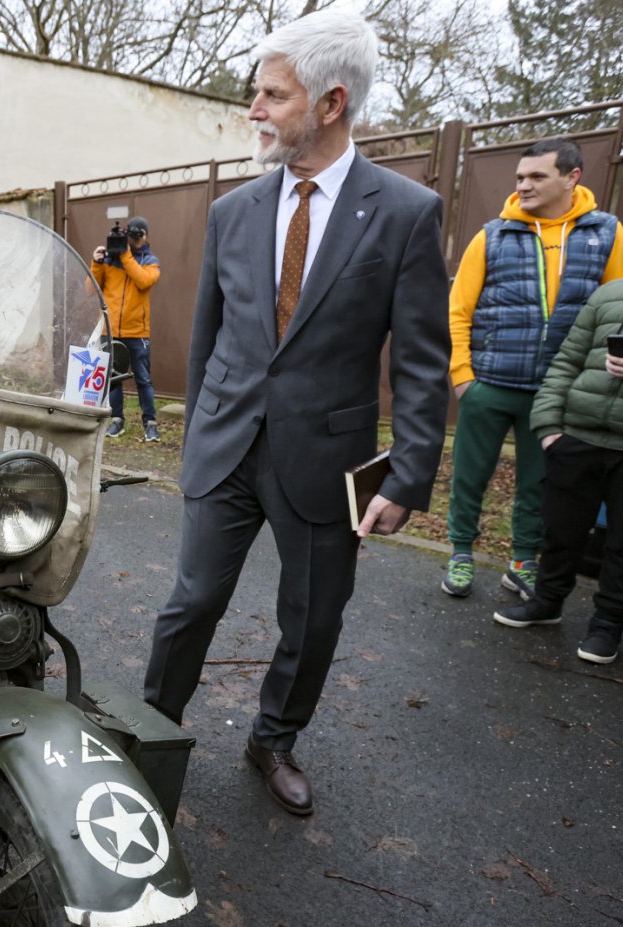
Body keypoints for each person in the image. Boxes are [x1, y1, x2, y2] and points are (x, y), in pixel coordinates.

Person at [141, 9, 450, 816]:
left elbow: (421, 360)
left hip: (327, 460)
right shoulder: (232, 211)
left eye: (271, 95)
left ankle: (272, 737)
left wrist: (410, 471)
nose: (254, 110)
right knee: (190, 601)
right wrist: (197, 441)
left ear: (331, 103)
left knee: (311, 620)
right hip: (226, 446)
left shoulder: (406, 213)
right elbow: (208, 341)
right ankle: (152, 732)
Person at [441, 138, 623, 600]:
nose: (524, 185)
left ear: (572, 177)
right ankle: (461, 552)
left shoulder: (605, 233)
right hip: (488, 383)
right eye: (520, 178)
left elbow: (618, 312)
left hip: (554, 393)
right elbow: (459, 310)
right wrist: (464, 378)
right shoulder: (493, 234)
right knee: (469, 475)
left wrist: (586, 386)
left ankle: (523, 560)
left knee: (538, 483)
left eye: (536, 177)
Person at [491, 266, 623, 663]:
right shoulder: (612, 294)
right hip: (577, 438)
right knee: (561, 529)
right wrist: (548, 427)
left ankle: (607, 625)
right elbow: (566, 362)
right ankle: (547, 602)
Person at [92, 216, 162, 441]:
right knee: (113, 379)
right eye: (133, 235)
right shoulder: (111, 261)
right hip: (110, 330)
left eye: (140, 235)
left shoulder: (150, 260)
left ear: (146, 236)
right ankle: (116, 420)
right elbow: (91, 289)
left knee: (143, 378)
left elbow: (143, 281)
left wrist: (125, 255)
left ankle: (150, 423)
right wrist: (97, 263)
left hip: (137, 332)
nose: (136, 239)